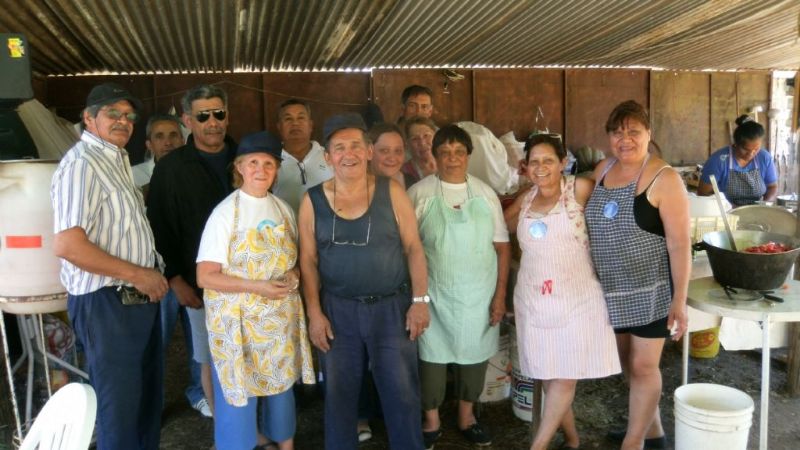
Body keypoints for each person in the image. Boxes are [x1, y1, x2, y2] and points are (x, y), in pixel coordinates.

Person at [298, 113, 430, 450]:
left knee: (401, 393)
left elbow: (414, 248)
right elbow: (308, 262)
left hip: (391, 308)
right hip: (338, 311)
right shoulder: (312, 200)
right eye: (339, 147)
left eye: (356, 145)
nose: (349, 153)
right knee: (340, 396)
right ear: (327, 157)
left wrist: (419, 301)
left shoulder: (392, 191)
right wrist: (314, 313)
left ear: (369, 151)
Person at [51, 82, 168, 450]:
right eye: (112, 114)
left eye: (129, 116)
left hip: (135, 299)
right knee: (119, 408)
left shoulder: (115, 161)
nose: (123, 121)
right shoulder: (81, 165)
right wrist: (139, 273)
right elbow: (69, 245)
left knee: (144, 401)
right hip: (107, 303)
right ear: (88, 118)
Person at [196, 131, 315, 450]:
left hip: (276, 322)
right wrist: (257, 287)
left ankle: (284, 444)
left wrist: (292, 276)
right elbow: (205, 276)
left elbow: (295, 261)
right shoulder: (224, 214)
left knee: (281, 387)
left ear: (277, 169)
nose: (260, 170)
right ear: (239, 167)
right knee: (239, 391)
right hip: (237, 325)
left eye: (268, 163)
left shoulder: (282, 209)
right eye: (252, 163)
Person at [585, 100, 690, 450]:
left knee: (645, 368)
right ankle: (653, 432)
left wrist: (679, 301)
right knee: (629, 366)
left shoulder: (665, 178)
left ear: (649, 134)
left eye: (633, 131)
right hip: (611, 291)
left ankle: (634, 443)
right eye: (617, 132)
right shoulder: (602, 169)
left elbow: (679, 244)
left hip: (651, 292)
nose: (624, 139)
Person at [504, 134, 620, 450]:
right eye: (534, 162)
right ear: (525, 167)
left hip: (578, 298)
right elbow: (500, 230)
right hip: (535, 299)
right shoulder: (525, 199)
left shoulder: (579, 189)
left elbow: (612, 198)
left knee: (565, 377)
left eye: (549, 160)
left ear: (563, 163)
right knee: (551, 374)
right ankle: (572, 439)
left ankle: (537, 446)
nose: (541, 168)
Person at [407, 124, 510, 449]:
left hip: (478, 295)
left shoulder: (485, 193)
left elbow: (502, 247)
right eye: (445, 152)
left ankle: (467, 416)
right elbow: (407, 247)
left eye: (459, 152)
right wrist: (415, 297)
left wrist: (499, 296)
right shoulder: (419, 193)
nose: (452, 158)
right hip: (433, 294)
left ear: (468, 155)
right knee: (431, 361)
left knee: (473, 359)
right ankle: (432, 419)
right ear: (435, 156)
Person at [148, 84, 238, 421]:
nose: (213, 122)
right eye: (203, 115)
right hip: (198, 286)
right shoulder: (171, 169)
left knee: (245, 357)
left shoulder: (246, 159)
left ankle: (250, 425)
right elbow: (159, 227)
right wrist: (174, 279)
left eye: (219, 113)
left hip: (246, 285)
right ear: (188, 119)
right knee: (209, 359)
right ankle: (227, 432)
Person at [697, 115, 777, 206]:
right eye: (746, 149)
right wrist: (728, 206)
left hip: (756, 211)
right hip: (726, 213)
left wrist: (765, 204)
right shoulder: (718, 160)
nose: (751, 154)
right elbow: (703, 192)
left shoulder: (764, 157)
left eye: (756, 149)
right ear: (736, 144)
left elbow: (772, 187)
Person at [272, 99, 333, 212]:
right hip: (286, 228)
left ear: (310, 125)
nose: (295, 123)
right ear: (279, 127)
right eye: (288, 118)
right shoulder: (271, 162)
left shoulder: (330, 157)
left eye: (301, 117)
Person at [132, 114, 184, 191]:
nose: (168, 143)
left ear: (183, 141)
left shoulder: (197, 171)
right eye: (159, 136)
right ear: (149, 145)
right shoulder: (133, 176)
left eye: (173, 135)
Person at [369, 122, 413, 188]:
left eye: (398, 151)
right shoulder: (356, 187)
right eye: (384, 151)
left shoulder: (411, 182)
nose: (392, 158)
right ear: (369, 152)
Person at [401, 117, 438, 186]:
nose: (422, 143)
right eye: (415, 139)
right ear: (407, 144)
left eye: (426, 136)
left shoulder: (449, 164)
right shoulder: (403, 173)